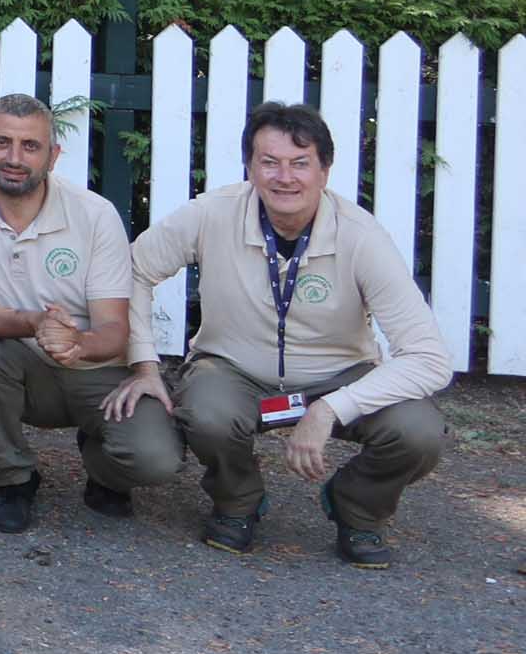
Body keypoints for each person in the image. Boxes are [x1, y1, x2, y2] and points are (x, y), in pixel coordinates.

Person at [108, 102, 452, 567]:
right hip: (234, 370)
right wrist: (144, 363)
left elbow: (429, 358)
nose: (284, 177)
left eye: (300, 163)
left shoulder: (362, 236)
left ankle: (358, 506)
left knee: (419, 431)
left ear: (325, 171)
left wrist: (332, 408)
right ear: (250, 167)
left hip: (337, 376)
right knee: (207, 412)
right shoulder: (213, 213)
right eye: (269, 162)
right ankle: (238, 500)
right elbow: (133, 269)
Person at [0, 94, 178, 532]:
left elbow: (113, 328)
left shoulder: (95, 213)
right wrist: (35, 323)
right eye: (1, 143)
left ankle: (104, 470)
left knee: (156, 459)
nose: (13, 158)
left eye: (30, 146)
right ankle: (12, 479)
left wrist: (77, 342)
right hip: (19, 363)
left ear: (53, 155)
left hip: (97, 366)